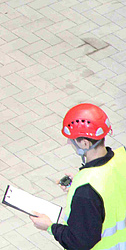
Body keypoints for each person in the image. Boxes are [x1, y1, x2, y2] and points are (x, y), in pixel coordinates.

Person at [30, 103, 126, 250]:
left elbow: (79, 242)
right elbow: (113, 191)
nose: (69, 141)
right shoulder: (122, 156)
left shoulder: (87, 191)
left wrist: (50, 227)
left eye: (72, 139)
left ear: (85, 143)